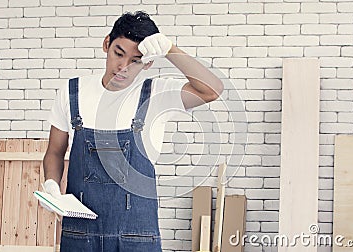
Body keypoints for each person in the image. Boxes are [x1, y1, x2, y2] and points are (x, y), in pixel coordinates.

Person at [42, 11, 223, 252]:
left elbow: (212, 90)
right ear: (106, 43)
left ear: (148, 62)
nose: (123, 67)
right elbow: (55, 152)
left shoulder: (156, 95)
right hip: (80, 236)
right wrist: (51, 184)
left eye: (136, 60)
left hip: (135, 239)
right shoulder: (72, 91)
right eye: (119, 53)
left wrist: (170, 49)